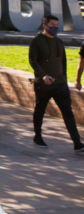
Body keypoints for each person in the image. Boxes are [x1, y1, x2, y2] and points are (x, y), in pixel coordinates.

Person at [29, 14, 84, 151]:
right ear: (45, 25)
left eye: (57, 25)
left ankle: (77, 143)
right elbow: (33, 61)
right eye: (52, 25)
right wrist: (43, 76)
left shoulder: (59, 42)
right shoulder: (36, 41)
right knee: (40, 110)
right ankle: (38, 137)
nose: (55, 27)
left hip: (60, 84)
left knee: (68, 112)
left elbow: (63, 62)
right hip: (43, 84)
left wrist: (64, 79)